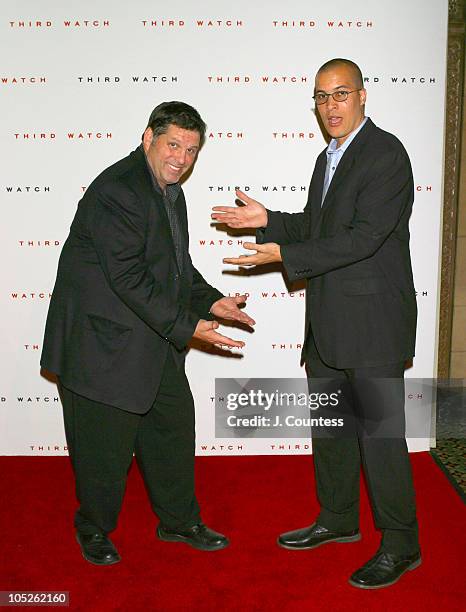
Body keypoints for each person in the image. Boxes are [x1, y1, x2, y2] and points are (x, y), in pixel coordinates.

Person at [212, 58, 420, 589]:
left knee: (380, 439)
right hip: (327, 323)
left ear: (363, 96)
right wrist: (268, 222)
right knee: (332, 432)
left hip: (372, 326)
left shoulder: (386, 154)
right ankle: (339, 519)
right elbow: (318, 226)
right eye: (322, 97)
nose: (331, 106)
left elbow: (362, 238)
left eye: (341, 94)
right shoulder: (326, 159)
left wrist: (282, 252)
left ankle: (401, 544)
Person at [41, 101, 254, 565]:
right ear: (148, 139)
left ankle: (178, 522)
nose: (181, 157)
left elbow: (175, 269)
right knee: (103, 453)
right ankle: (93, 527)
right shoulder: (118, 191)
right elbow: (129, 278)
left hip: (149, 338)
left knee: (173, 431)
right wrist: (191, 327)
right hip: (102, 346)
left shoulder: (169, 192)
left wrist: (211, 301)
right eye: (173, 144)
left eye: (191, 149)